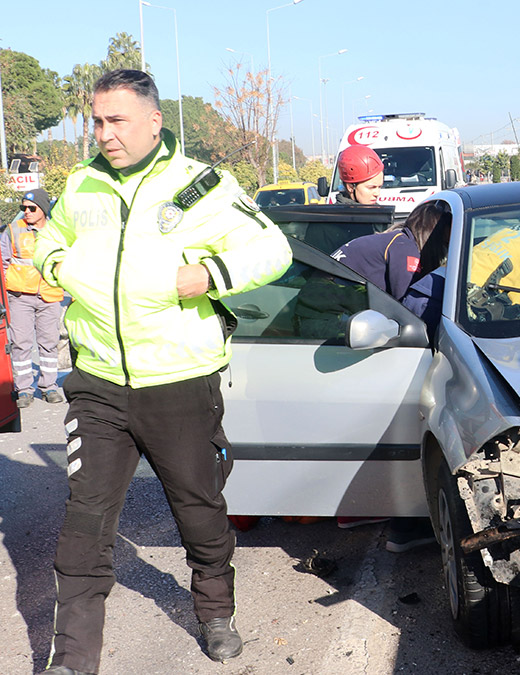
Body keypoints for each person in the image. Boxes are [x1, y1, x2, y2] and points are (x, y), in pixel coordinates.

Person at [32, 69, 292, 674]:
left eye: (116, 120)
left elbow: (272, 250)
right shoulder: (82, 184)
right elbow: (49, 239)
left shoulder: (200, 186)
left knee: (199, 510)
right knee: (84, 522)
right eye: (96, 121)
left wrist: (208, 278)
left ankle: (215, 610)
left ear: (153, 120)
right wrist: (59, 266)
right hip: (97, 382)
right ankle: (72, 660)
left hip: (179, 381)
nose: (104, 133)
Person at [326, 200, 452, 549]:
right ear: (437, 229)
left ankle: (363, 506)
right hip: (332, 320)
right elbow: (405, 311)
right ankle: (400, 516)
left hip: (332, 315)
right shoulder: (405, 249)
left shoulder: (396, 240)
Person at [2, 188, 66, 407]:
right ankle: (24, 390)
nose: (26, 212)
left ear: (43, 209)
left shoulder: (57, 231)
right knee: (21, 344)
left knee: (49, 344)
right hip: (20, 296)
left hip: (49, 296)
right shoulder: (13, 230)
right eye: (23, 208)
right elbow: (3, 263)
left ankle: (49, 387)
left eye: (31, 208)